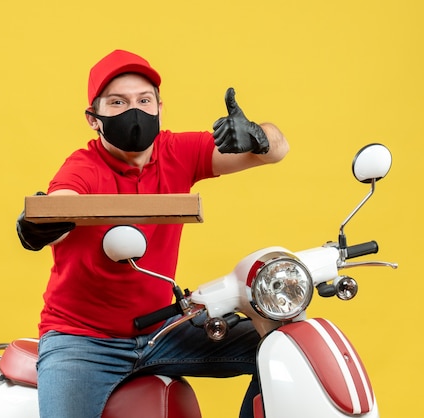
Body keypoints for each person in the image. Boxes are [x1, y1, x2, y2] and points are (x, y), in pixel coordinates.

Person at [16, 49, 289, 418]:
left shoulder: (177, 151)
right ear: (93, 119)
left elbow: (277, 150)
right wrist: (41, 221)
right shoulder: (83, 167)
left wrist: (258, 136)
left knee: (282, 349)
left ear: (160, 108)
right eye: (118, 102)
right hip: (82, 341)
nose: (135, 111)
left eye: (144, 101)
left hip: (164, 330)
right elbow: (62, 203)